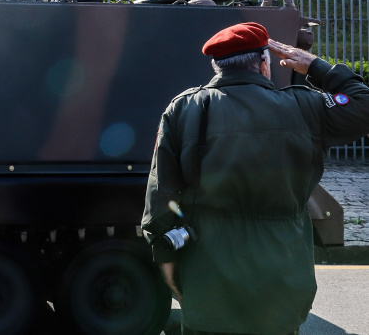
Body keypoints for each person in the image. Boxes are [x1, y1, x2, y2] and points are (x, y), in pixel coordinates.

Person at [141, 22, 369, 335]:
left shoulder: (184, 108)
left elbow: (160, 193)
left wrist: (166, 259)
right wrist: (316, 66)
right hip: (282, 279)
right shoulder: (305, 106)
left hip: (207, 279)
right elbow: (363, 105)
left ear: (217, 66)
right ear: (264, 63)